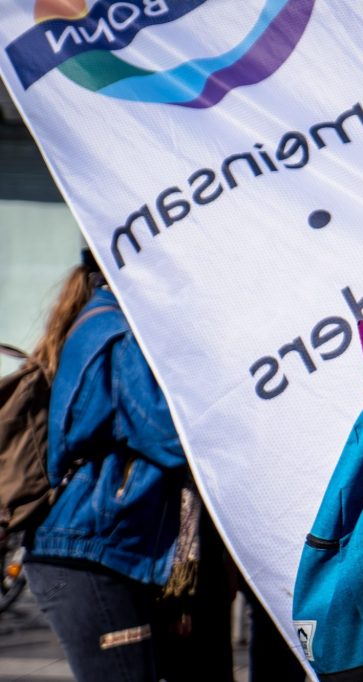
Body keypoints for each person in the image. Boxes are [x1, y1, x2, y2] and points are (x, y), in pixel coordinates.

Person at [22, 251, 227, 681]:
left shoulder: (107, 320)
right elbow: (173, 435)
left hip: (98, 552)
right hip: (90, 555)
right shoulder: (120, 333)